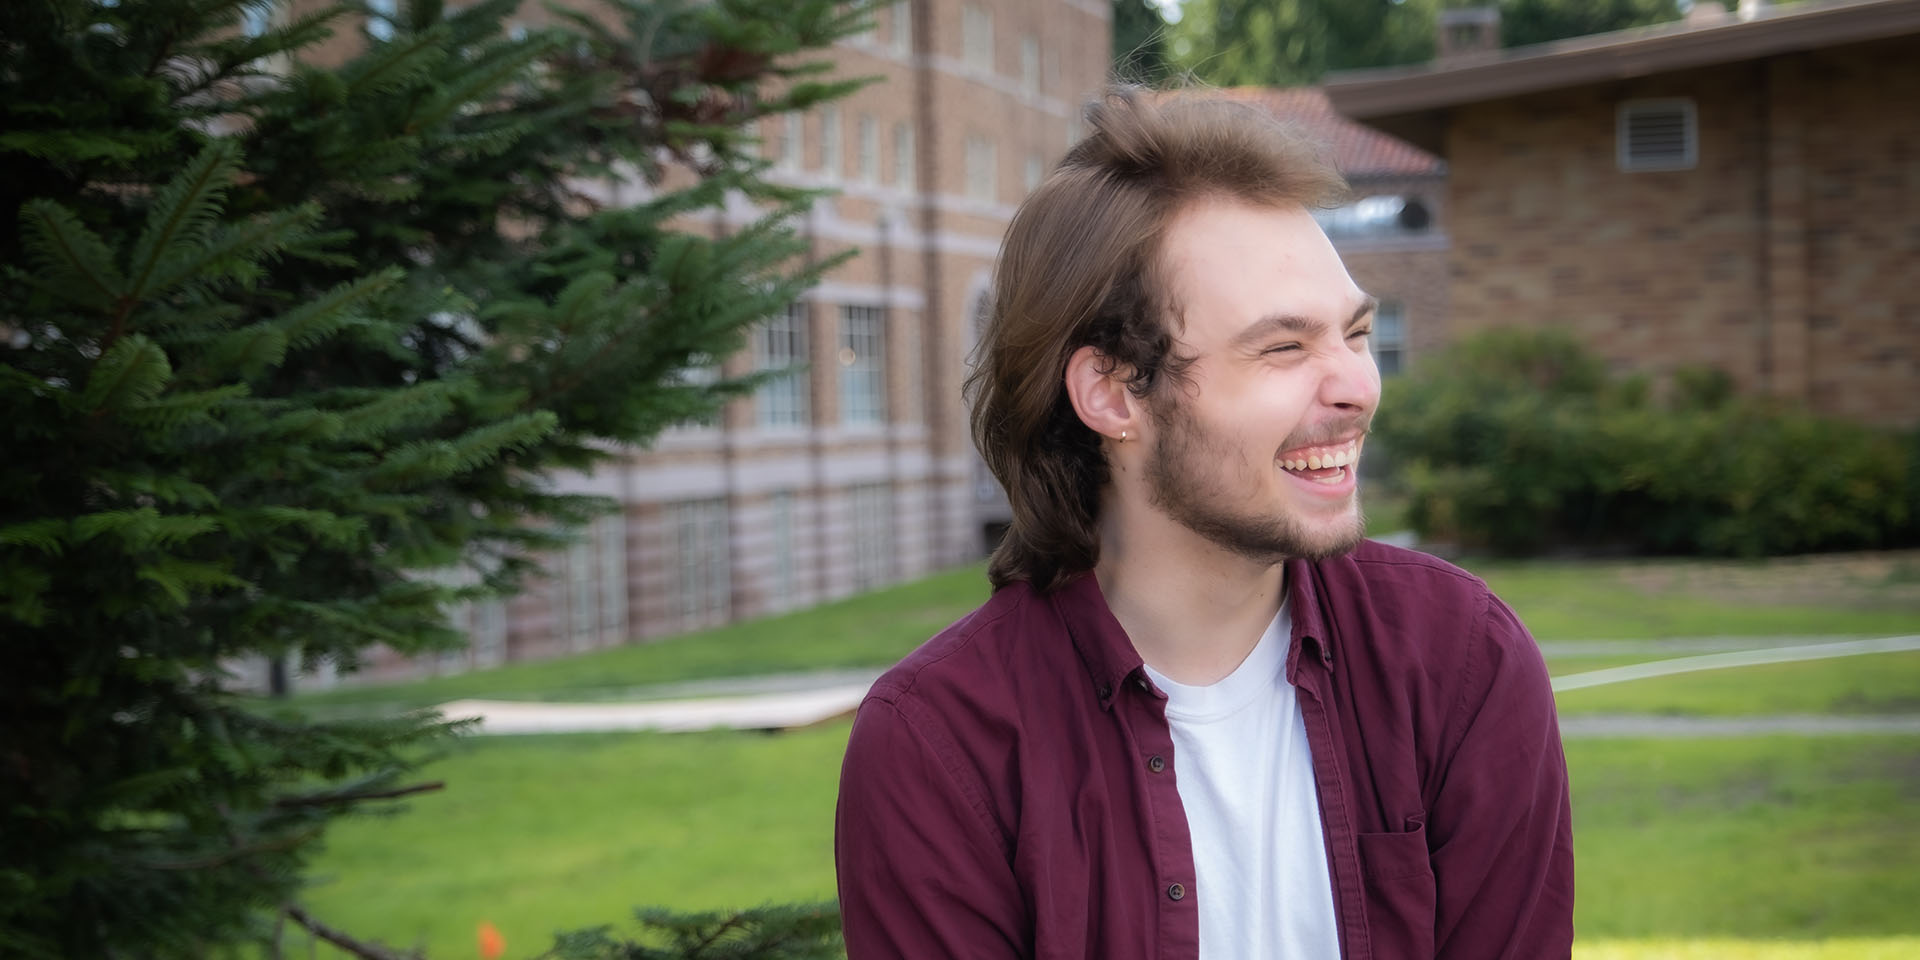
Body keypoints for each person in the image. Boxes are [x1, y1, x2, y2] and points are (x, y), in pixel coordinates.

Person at [834, 87, 1573, 960]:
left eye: (1356, 334)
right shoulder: (940, 749)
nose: (1356, 388)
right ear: (1113, 394)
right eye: (1283, 347)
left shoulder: (1460, 662)